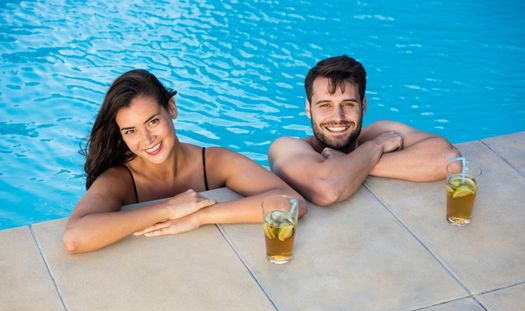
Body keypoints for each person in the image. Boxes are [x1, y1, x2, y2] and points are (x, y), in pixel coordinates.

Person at [64, 69, 305, 253]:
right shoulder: (120, 179)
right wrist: (167, 209)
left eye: (152, 122)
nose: (146, 139)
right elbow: (75, 238)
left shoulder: (212, 162)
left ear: (171, 108)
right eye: (130, 131)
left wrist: (199, 217)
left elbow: (293, 203)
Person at [268, 55, 460, 206]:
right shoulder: (285, 147)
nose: (338, 117)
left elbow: (450, 160)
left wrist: (350, 164)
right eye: (325, 105)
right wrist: (375, 147)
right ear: (308, 109)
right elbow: (328, 188)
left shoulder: (379, 129)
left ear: (364, 105)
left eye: (348, 104)